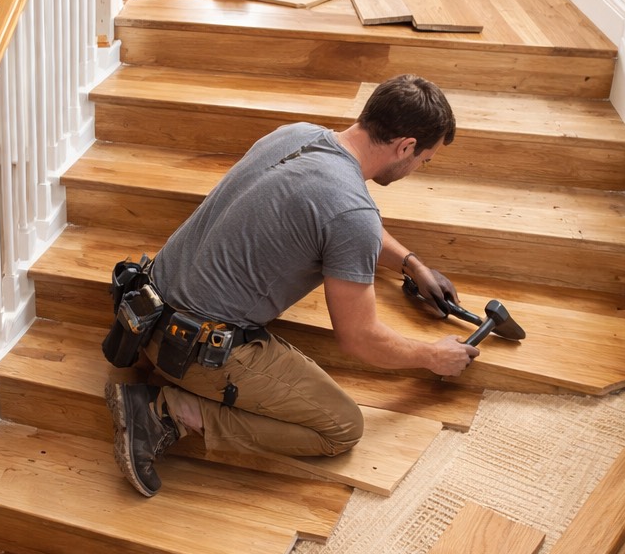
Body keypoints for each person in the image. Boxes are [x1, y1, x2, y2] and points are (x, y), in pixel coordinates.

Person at [104, 75, 478, 498]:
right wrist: (433, 356)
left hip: (143, 311)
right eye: (423, 160)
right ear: (405, 146)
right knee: (341, 428)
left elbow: (336, 219)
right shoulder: (352, 212)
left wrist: (411, 264)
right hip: (192, 350)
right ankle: (164, 414)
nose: (417, 169)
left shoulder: (297, 135)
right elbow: (359, 339)